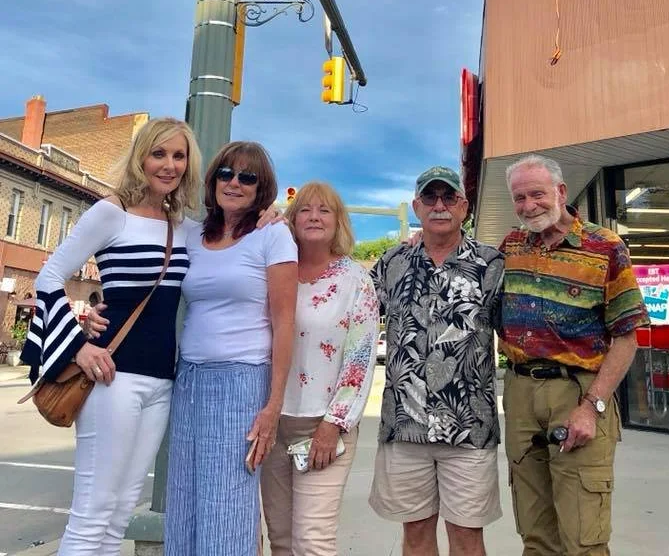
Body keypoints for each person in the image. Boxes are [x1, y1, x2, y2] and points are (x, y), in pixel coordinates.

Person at [21, 117, 202, 556]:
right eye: (159, 153)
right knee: (94, 512)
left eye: (179, 156)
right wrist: (78, 345)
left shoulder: (184, 226)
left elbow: (237, 237)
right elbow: (49, 277)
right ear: (141, 157)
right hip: (111, 376)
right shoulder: (111, 212)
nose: (169, 164)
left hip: (162, 379)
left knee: (121, 511)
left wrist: (275, 215)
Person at [499, 154, 650, 556]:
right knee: (534, 534)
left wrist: (592, 405)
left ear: (561, 192)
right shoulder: (511, 246)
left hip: (577, 394)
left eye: (537, 194)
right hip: (519, 392)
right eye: (519, 198)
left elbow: (627, 337)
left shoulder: (605, 246)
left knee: (584, 536)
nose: (528, 206)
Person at [164, 141, 298, 556]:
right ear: (213, 180)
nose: (234, 183)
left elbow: (285, 323)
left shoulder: (273, 235)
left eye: (247, 177)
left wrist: (272, 406)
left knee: (228, 507)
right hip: (188, 378)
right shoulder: (192, 232)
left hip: (241, 381)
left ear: (262, 188)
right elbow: (141, 205)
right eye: (226, 173)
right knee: (183, 501)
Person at [368, 166, 504, 556]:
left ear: (464, 206)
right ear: (416, 206)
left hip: (469, 429)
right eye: (430, 198)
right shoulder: (392, 263)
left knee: (467, 537)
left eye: (449, 198)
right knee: (415, 533)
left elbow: (516, 332)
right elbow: (350, 313)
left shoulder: (491, 264)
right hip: (405, 425)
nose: (439, 205)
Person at [260, 181, 379, 556]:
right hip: (271, 423)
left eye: (324, 210)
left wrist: (334, 425)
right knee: (279, 537)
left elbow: (359, 359)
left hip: (323, 426)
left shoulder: (356, 281)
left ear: (338, 222)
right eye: (305, 210)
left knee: (313, 541)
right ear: (291, 221)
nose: (313, 216)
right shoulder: (274, 271)